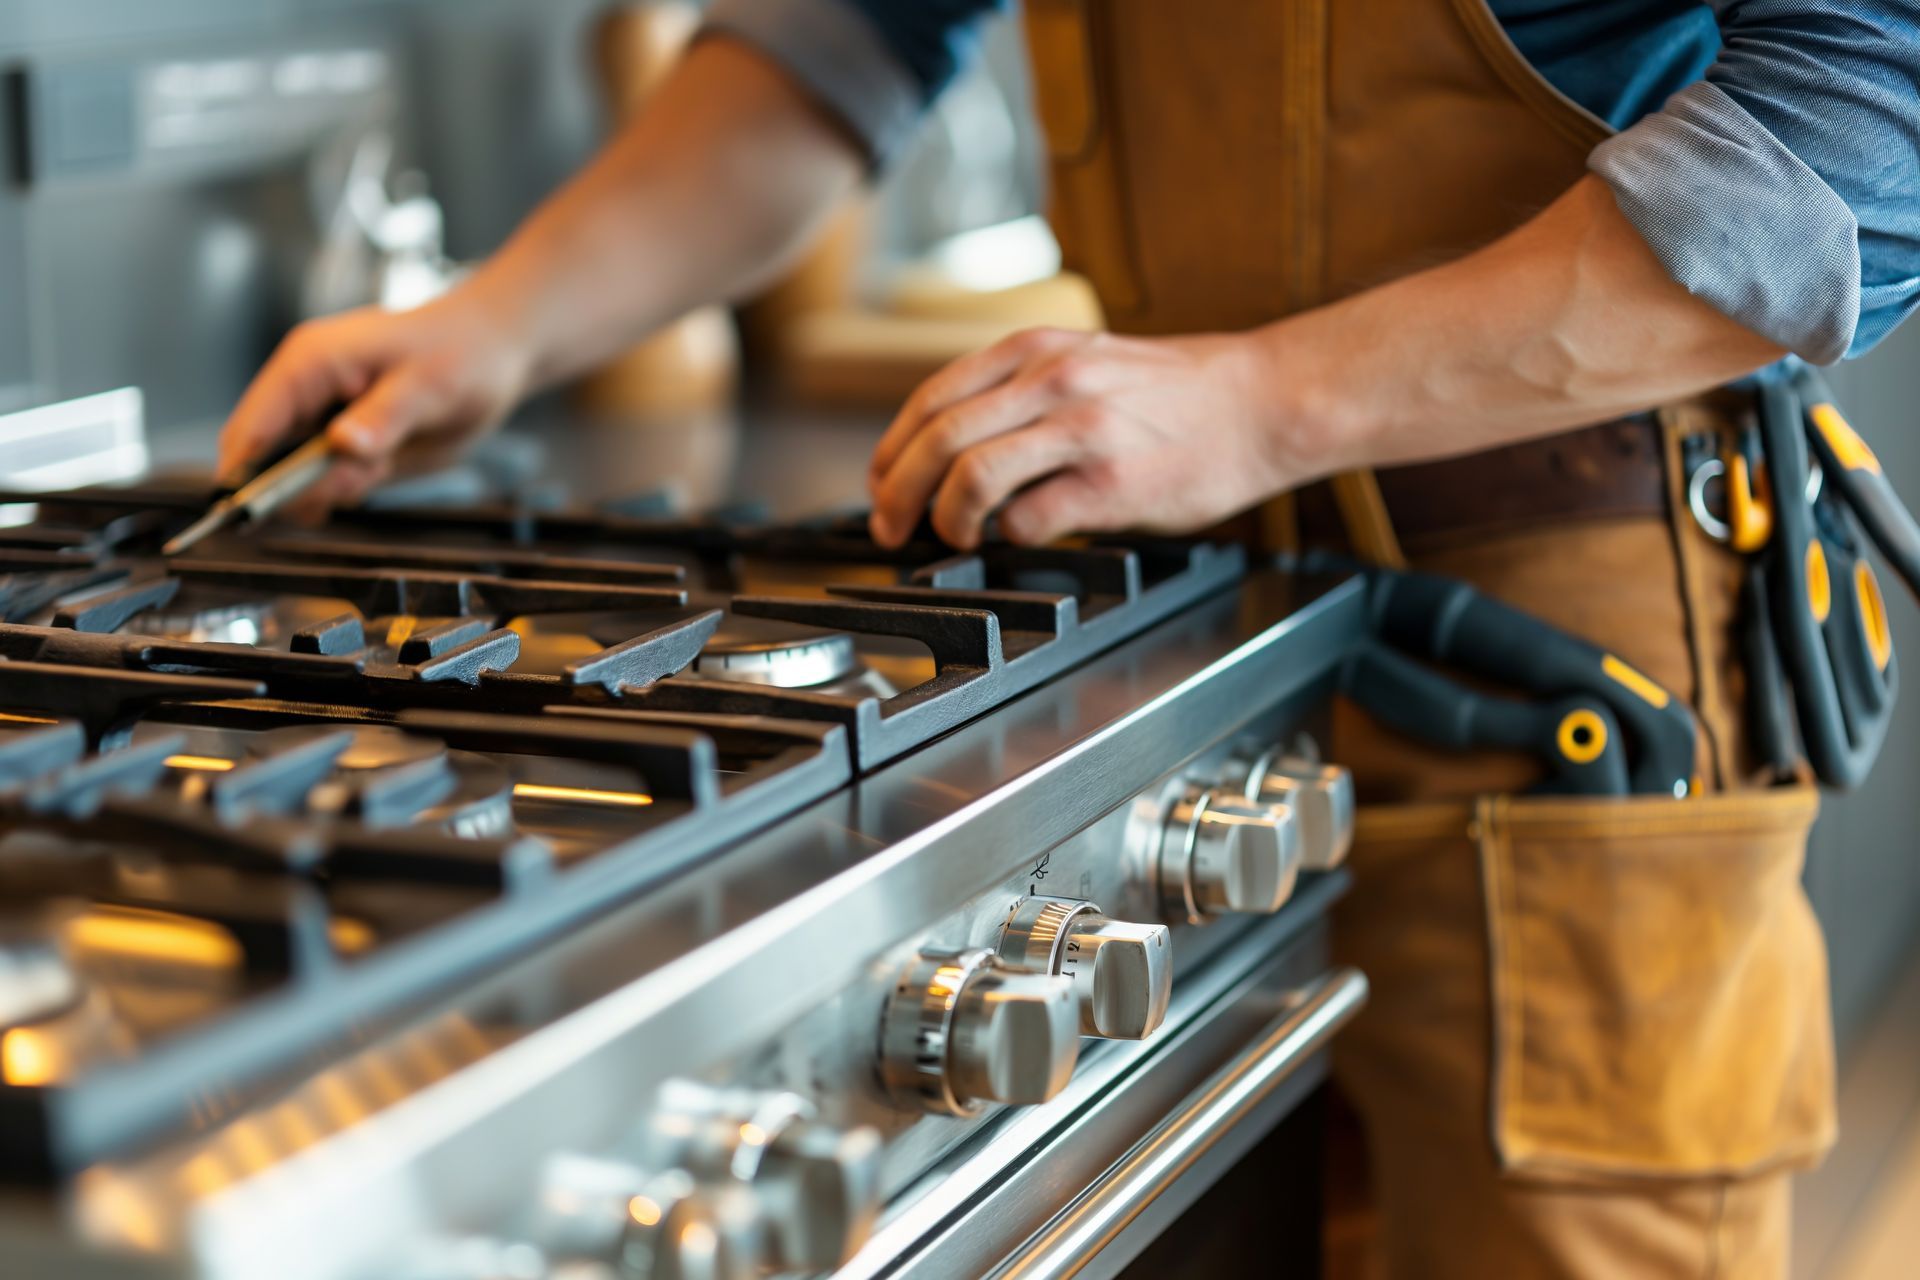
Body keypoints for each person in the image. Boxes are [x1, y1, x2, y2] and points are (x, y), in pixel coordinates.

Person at [218, 2, 1920, 1276]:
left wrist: (1265, 400)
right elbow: (843, 41)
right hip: (1201, 600)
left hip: (1550, 662)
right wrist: (490, 327)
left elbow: (1864, 137)